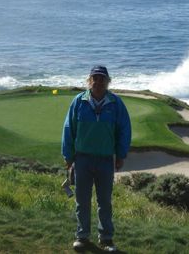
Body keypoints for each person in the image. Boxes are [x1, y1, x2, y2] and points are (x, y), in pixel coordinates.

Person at [61, 65, 131, 252]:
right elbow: (69, 129)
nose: (98, 82)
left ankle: (106, 239)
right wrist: (68, 156)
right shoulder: (79, 101)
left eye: (102, 79)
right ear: (89, 81)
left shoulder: (115, 103)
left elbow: (124, 129)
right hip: (82, 159)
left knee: (104, 202)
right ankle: (82, 237)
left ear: (108, 81)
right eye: (95, 78)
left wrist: (121, 154)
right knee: (82, 201)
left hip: (105, 159)